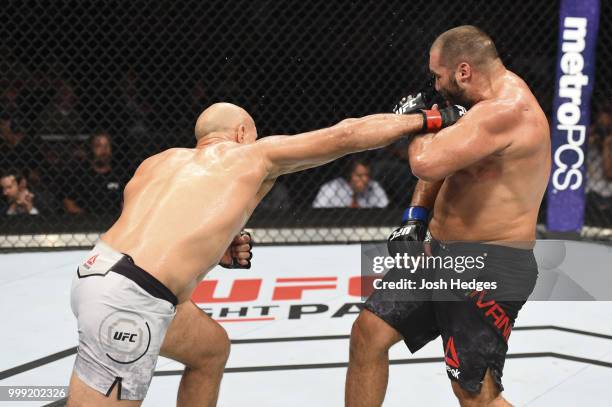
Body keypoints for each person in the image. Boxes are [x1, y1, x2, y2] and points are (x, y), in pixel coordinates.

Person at [67, 101, 464, 406]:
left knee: (210, 349)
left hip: (96, 271)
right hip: (131, 301)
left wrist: (216, 245)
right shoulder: (250, 155)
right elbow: (347, 135)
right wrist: (431, 119)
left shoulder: (158, 162)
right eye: (254, 136)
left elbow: (153, 228)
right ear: (242, 132)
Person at [346, 26, 550, 407]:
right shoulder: (480, 98)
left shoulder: (504, 111)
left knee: (475, 392)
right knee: (367, 334)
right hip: (438, 252)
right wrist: (416, 216)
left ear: (463, 71)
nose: (435, 85)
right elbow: (449, 166)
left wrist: (422, 121)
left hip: (489, 262)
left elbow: (427, 160)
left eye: (439, 76)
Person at [312, 158, 389, 208]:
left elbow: (385, 207)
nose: (365, 179)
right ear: (349, 175)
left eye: (367, 175)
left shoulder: (373, 186)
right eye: (359, 176)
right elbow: (317, 208)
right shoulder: (332, 187)